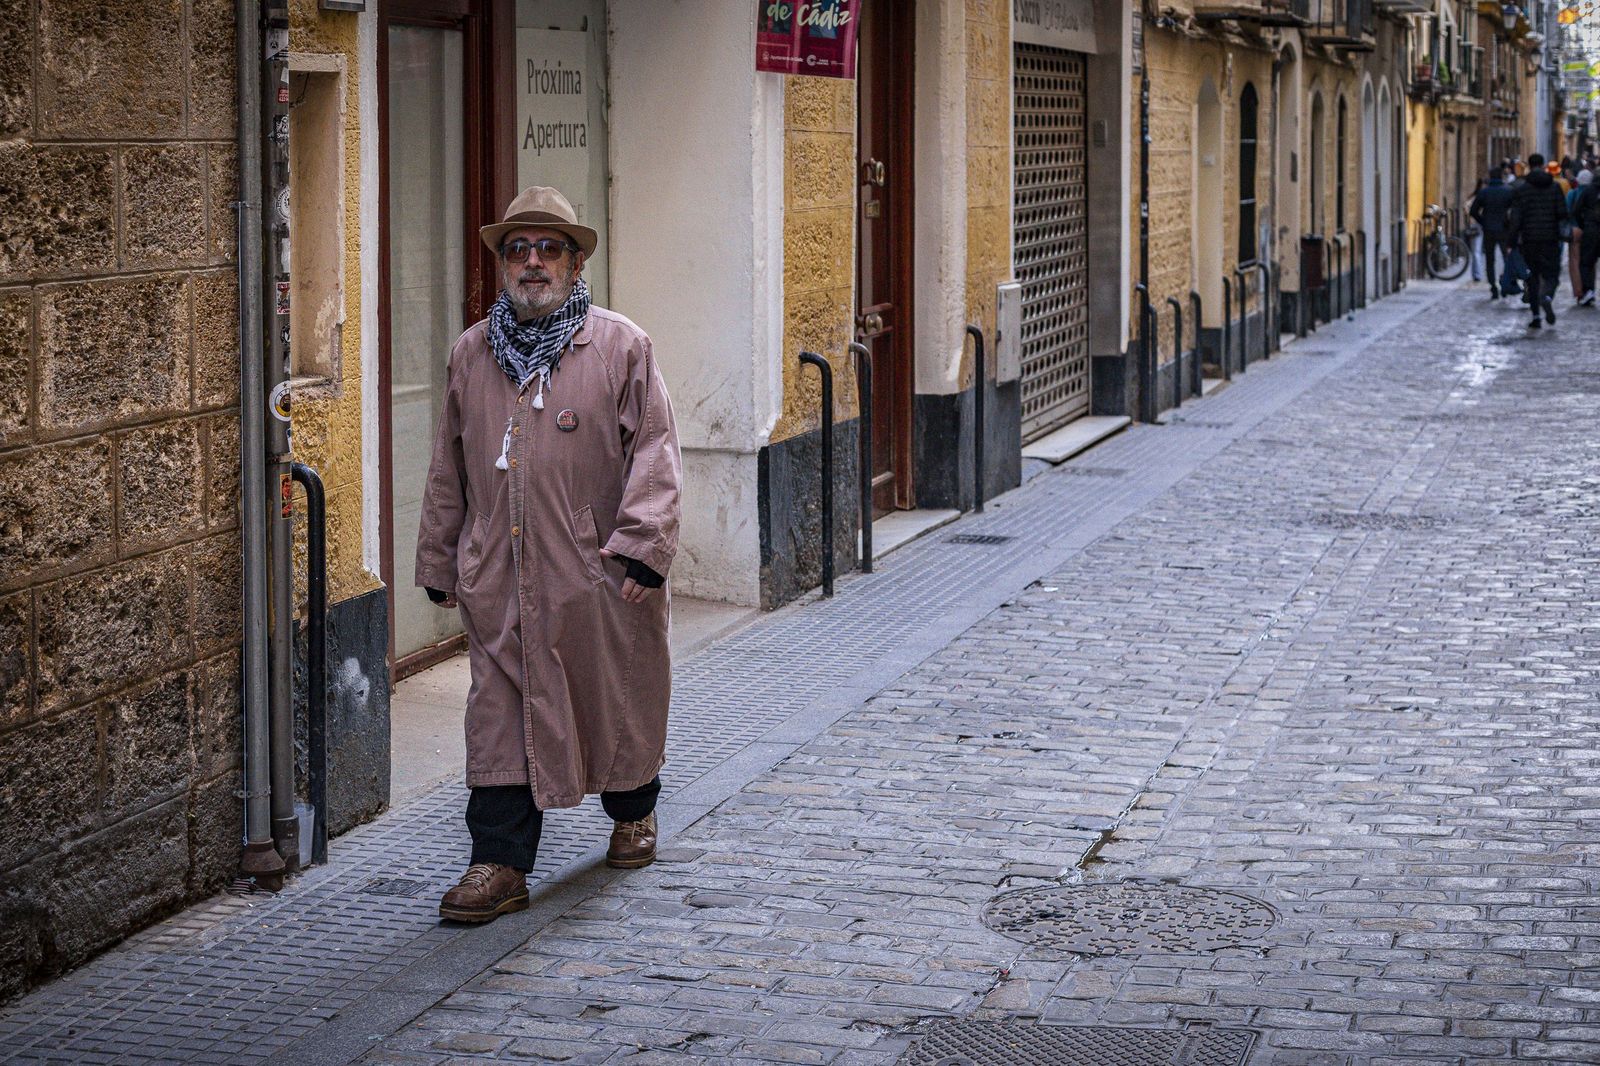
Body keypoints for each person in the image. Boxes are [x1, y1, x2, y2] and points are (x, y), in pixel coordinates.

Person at [415, 186, 683, 923]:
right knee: (498, 712)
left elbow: (656, 453)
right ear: (503, 265)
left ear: (574, 262)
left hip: (597, 575)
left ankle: (634, 812)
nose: (532, 262)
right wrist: (442, 561)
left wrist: (640, 550)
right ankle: (497, 862)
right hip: (499, 577)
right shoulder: (473, 354)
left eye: (548, 249)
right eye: (518, 249)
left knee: (616, 699)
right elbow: (450, 465)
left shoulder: (621, 345)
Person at [1508, 153, 1568, 328]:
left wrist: (1511, 243)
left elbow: (1516, 220)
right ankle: (1547, 296)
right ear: (1543, 166)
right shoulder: (1554, 188)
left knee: (1532, 278)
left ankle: (1536, 316)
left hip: (1530, 240)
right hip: (1550, 238)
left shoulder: (1522, 190)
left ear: (1529, 166)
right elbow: (1562, 213)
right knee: (1552, 274)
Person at [1470, 167, 1515, 299]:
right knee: (1506, 258)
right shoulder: (1508, 191)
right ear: (1501, 177)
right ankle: (1506, 283)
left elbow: (1473, 211)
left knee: (1490, 260)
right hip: (1504, 229)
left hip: (1489, 230)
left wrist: (1483, 221)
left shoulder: (1484, 192)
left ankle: (1493, 287)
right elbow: (1515, 210)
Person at [1573, 170, 1600, 306]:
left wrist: (1583, 225)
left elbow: (1577, 210)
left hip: (1591, 229)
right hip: (1591, 227)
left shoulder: (1588, 191)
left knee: (1586, 262)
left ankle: (1589, 290)